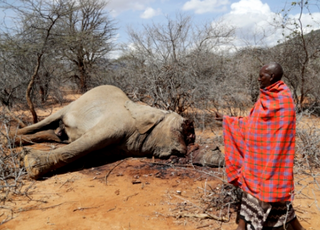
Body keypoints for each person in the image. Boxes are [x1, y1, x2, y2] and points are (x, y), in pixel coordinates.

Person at [215, 63, 305, 230]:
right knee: (253, 187)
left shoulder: (283, 99)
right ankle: (243, 226)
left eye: (261, 76)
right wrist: (228, 120)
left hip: (275, 159)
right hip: (256, 157)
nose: (258, 78)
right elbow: (253, 123)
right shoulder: (265, 97)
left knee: (272, 193)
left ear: (271, 77)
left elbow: (282, 133)